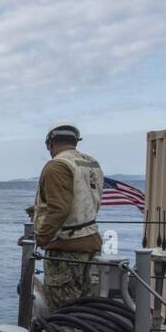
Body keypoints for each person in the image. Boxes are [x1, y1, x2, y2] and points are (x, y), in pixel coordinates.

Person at [31, 124, 103, 313]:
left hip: (67, 248)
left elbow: (61, 208)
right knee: (85, 302)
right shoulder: (90, 163)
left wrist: (42, 237)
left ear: (50, 143)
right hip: (91, 242)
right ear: (75, 141)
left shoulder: (57, 165)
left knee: (63, 308)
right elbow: (82, 201)